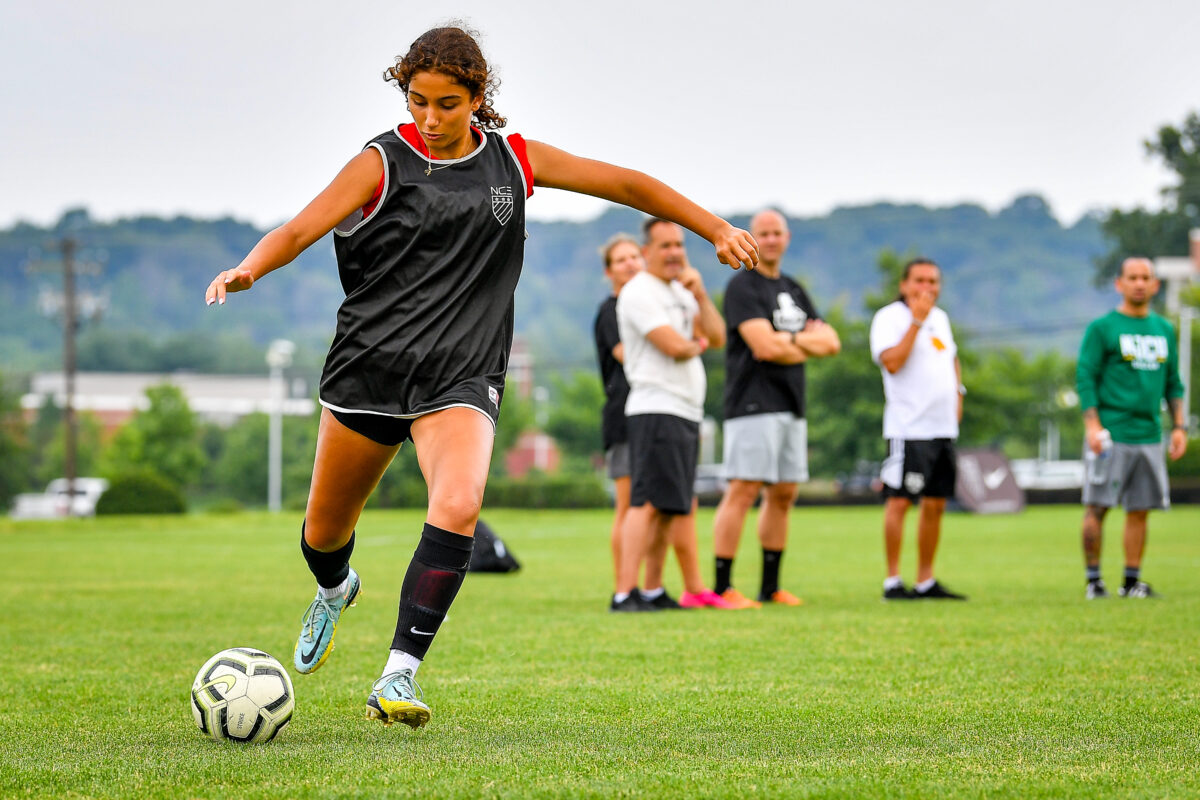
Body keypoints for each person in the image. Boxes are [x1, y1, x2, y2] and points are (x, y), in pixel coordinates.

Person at [204, 27, 758, 727]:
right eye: (417, 102)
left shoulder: (512, 162)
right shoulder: (381, 161)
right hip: (369, 368)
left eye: (447, 103)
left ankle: (397, 677)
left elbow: (625, 183)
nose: (430, 120)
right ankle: (336, 588)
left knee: (460, 504)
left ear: (477, 98)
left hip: (461, 375)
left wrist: (712, 227)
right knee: (321, 536)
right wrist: (250, 266)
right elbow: (296, 230)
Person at [711, 209, 840, 609]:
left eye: (776, 233)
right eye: (762, 233)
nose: (769, 239)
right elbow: (763, 347)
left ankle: (770, 586)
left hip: (791, 403)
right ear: (753, 237)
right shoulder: (742, 287)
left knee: (783, 493)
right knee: (744, 489)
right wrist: (803, 341)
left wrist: (788, 342)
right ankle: (722, 587)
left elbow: (832, 343)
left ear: (787, 238)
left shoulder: (794, 288)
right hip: (752, 404)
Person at [612, 218, 735, 611]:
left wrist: (701, 298)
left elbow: (717, 337)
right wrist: (693, 341)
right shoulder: (638, 291)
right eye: (664, 246)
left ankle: (652, 589)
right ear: (646, 252)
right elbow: (674, 346)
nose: (674, 253)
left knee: (670, 507)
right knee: (645, 502)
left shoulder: (682, 292)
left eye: (679, 245)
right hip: (655, 406)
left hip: (685, 410)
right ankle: (625, 592)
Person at [1076, 257, 1187, 600]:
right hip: (1111, 434)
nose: (1139, 283)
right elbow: (1086, 377)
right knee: (1098, 506)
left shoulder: (1164, 329)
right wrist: (1093, 425)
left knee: (1140, 509)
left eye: (1145, 277)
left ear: (1156, 285)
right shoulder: (1103, 328)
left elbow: (1173, 383)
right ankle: (1094, 581)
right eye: (1132, 277)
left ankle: (1130, 581)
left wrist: (1179, 426)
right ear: (1119, 284)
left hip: (1149, 435)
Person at [868, 258, 967, 601]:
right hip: (909, 429)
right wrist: (916, 322)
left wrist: (958, 393)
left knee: (936, 504)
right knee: (899, 502)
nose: (927, 288)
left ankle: (926, 580)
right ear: (904, 284)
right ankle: (893, 580)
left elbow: (951, 358)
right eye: (920, 281)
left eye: (933, 281)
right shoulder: (889, 318)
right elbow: (892, 363)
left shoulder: (941, 319)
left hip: (943, 428)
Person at [593, 234, 642, 601]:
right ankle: (623, 587)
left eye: (635, 256)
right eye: (621, 259)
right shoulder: (611, 310)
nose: (630, 263)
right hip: (623, 415)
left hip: (651, 413)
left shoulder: (644, 307)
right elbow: (628, 354)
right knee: (627, 505)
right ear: (609, 270)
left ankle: (646, 585)